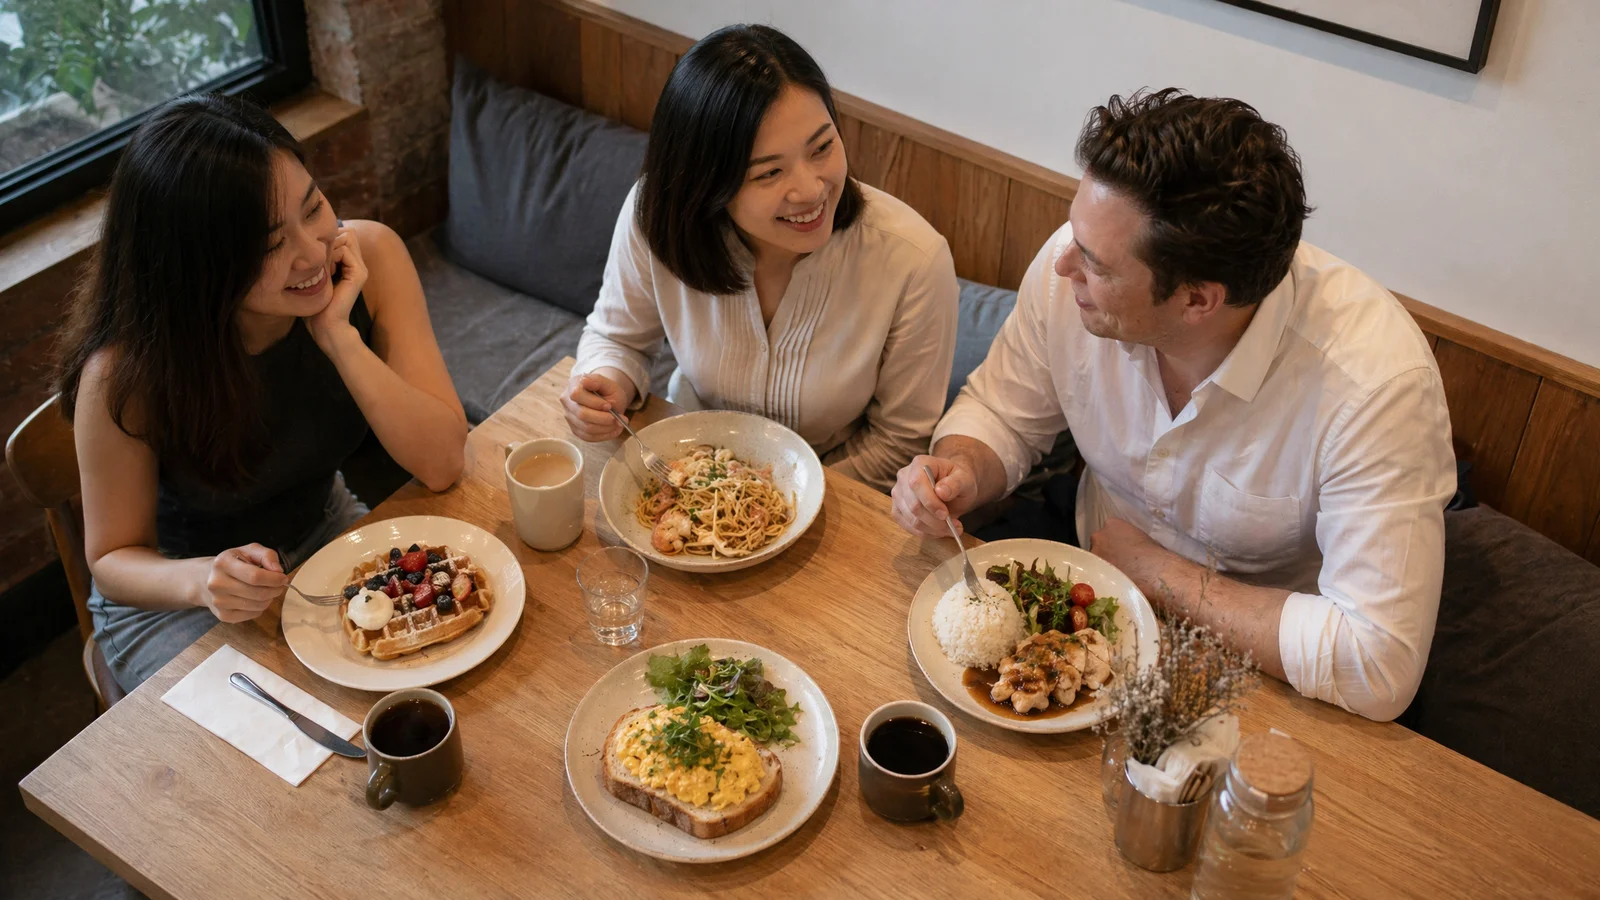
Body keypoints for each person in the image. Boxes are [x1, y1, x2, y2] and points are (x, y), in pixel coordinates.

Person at [891, 90, 1454, 721]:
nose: (1063, 265)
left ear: (1198, 301)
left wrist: (1153, 572)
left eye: (1095, 264)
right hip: (1075, 596)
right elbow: (1001, 411)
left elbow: (1378, 663)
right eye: (1075, 236)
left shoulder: (1374, 386)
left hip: (1252, 669)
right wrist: (964, 467)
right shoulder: (1075, 262)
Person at [56, 94, 468, 691]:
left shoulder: (369, 256)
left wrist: (338, 337)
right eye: (269, 245)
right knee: (274, 766)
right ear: (197, 267)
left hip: (321, 531)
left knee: (428, 687)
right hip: (176, 596)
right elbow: (113, 560)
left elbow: (443, 462)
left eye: (315, 207)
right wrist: (204, 579)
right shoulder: (127, 372)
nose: (312, 252)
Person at [562, 24, 958, 492]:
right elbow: (619, 338)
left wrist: (773, 500)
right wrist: (603, 384)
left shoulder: (913, 259)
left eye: (823, 147)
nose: (812, 190)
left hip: (834, 492)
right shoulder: (659, 214)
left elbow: (897, 443)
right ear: (707, 184)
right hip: (680, 467)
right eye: (770, 172)